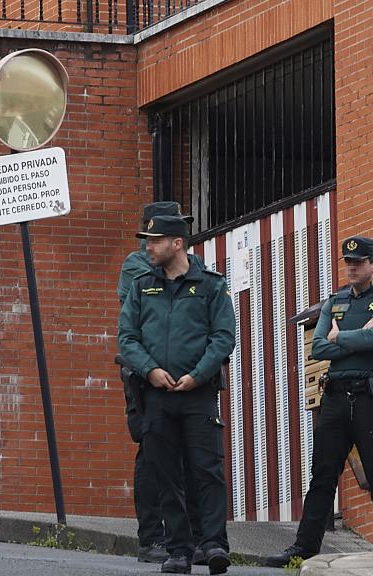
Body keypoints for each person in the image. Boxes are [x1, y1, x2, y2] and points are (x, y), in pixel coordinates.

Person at [267, 236, 373, 568]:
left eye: (359, 263)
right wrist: (355, 339)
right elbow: (319, 348)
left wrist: (340, 336)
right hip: (337, 398)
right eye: (348, 263)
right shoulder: (335, 301)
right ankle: (304, 548)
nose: (352, 268)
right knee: (322, 476)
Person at [118, 214, 235, 575]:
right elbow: (127, 338)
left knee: (206, 470)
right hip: (156, 396)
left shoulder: (211, 286)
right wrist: (150, 370)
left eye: (154, 241)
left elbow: (223, 337)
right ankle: (179, 550)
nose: (148, 247)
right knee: (165, 474)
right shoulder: (140, 286)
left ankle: (214, 544)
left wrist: (198, 375)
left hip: (197, 395)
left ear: (177, 243)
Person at [116, 202, 205, 565]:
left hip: (184, 376)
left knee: (188, 456)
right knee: (151, 455)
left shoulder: (187, 264)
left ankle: (186, 536)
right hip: (145, 373)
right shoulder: (138, 267)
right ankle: (151, 536)